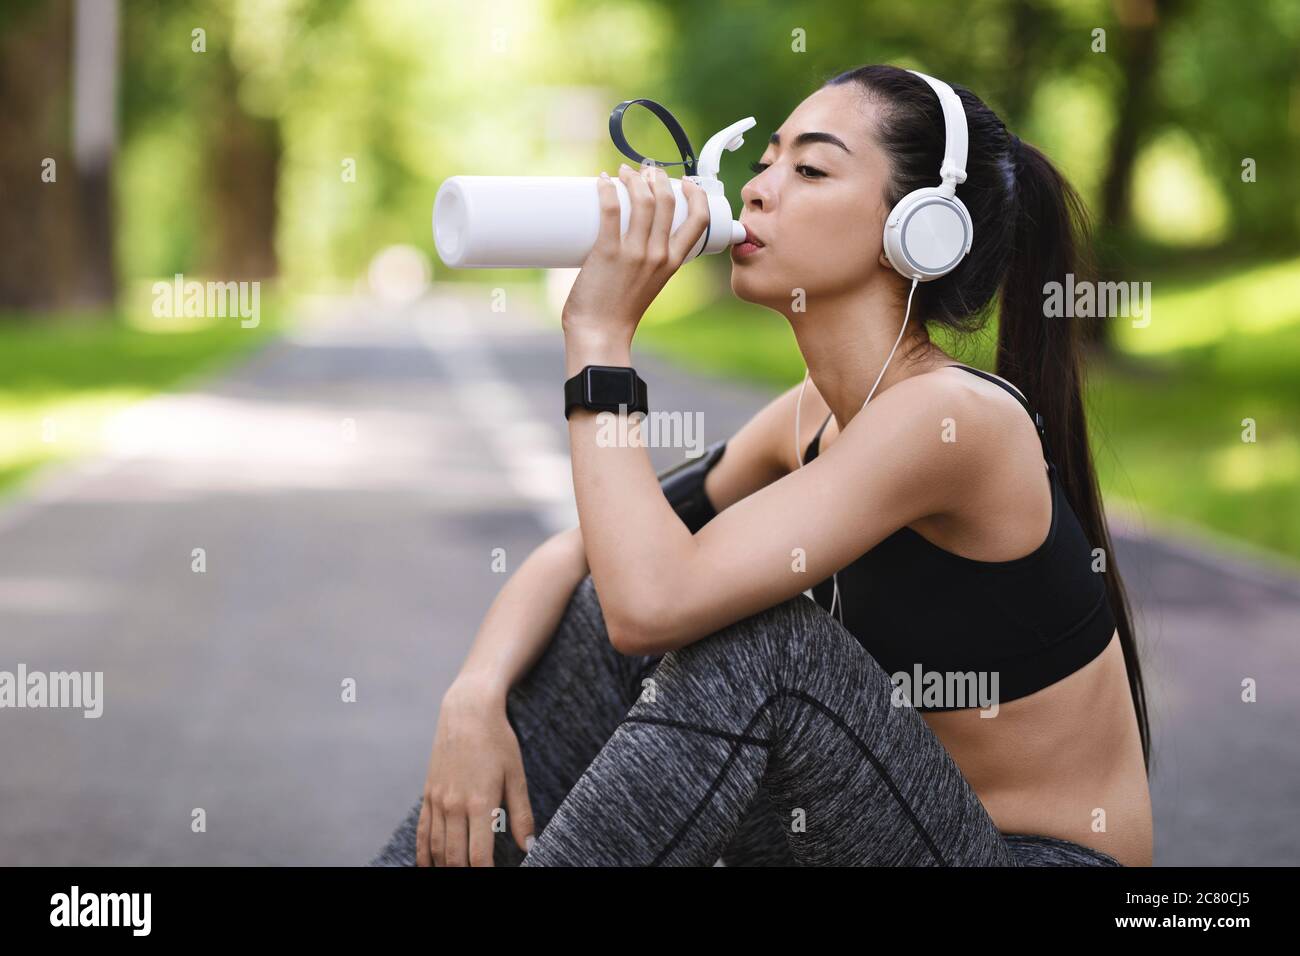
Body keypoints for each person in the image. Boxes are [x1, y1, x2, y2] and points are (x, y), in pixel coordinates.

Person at [371, 63, 1153, 867]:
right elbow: (592, 561)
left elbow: (654, 604)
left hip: (1026, 860)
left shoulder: (952, 419)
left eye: (809, 168)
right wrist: (474, 695)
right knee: (618, 602)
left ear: (919, 229)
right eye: (766, 160)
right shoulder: (812, 412)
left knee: (765, 651)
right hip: (875, 830)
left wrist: (600, 338)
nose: (756, 190)